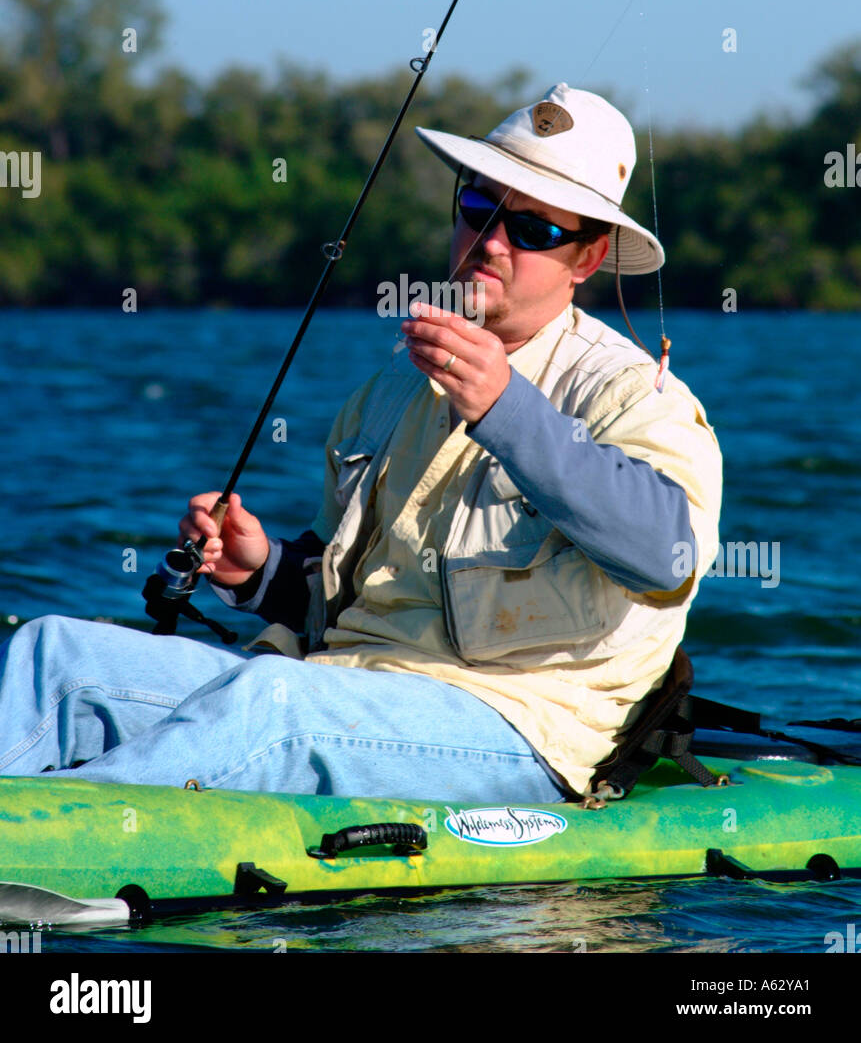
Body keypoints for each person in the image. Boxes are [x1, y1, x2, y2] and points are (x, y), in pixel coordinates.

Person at [0, 84, 721, 804]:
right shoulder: (387, 392)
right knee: (52, 654)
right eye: (479, 209)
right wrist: (259, 571)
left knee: (270, 701)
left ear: (587, 258)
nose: (492, 241)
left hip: (521, 725)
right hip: (342, 683)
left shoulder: (634, 395)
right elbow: (349, 593)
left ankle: (36, 842)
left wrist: (505, 407)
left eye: (533, 230)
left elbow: (666, 558)